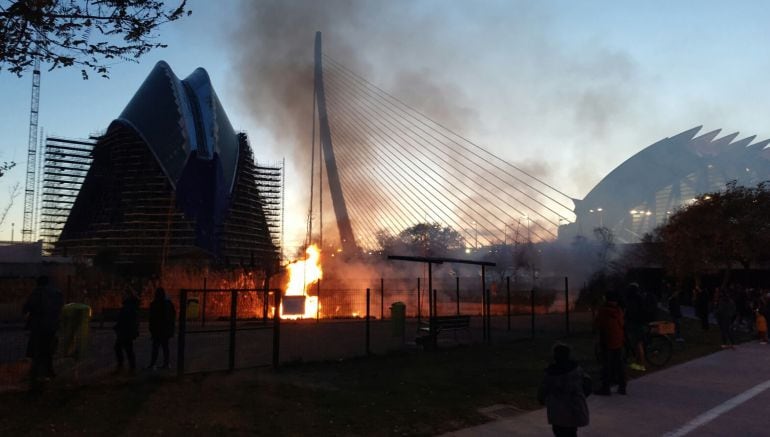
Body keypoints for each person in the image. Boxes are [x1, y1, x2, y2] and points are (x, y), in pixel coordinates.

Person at [538, 343, 591, 437]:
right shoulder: (577, 369)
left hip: (557, 412)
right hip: (573, 409)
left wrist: (542, 399)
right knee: (572, 432)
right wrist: (581, 396)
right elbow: (587, 384)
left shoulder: (551, 374)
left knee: (559, 432)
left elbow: (543, 390)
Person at [22, 275, 64, 386]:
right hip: (52, 326)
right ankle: (49, 372)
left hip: (39, 326)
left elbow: (27, 307)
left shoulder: (38, 292)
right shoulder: (57, 293)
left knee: (37, 350)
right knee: (48, 349)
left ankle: (36, 374)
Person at [594, 290, 626, 395]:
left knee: (606, 365)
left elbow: (598, 324)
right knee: (619, 364)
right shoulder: (619, 310)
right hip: (619, 340)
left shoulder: (603, 311)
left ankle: (605, 388)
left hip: (607, 340)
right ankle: (622, 387)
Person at [624, 283, 655, 371]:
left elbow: (633, 312)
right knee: (637, 343)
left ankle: (641, 365)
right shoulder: (637, 298)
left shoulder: (635, 299)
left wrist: (628, 317)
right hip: (638, 323)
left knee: (638, 344)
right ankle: (638, 362)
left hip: (637, 324)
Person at [114, 286, 140, 373]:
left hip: (126, 330)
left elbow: (125, 318)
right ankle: (130, 366)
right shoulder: (130, 305)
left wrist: (119, 326)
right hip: (126, 330)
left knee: (123, 348)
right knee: (126, 348)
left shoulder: (129, 306)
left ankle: (126, 366)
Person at [148, 287, 175, 369]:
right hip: (165, 329)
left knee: (156, 347)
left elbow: (152, 318)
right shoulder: (168, 304)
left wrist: (152, 328)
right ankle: (166, 363)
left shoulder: (154, 304)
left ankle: (153, 364)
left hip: (157, 329)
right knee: (165, 347)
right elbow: (172, 315)